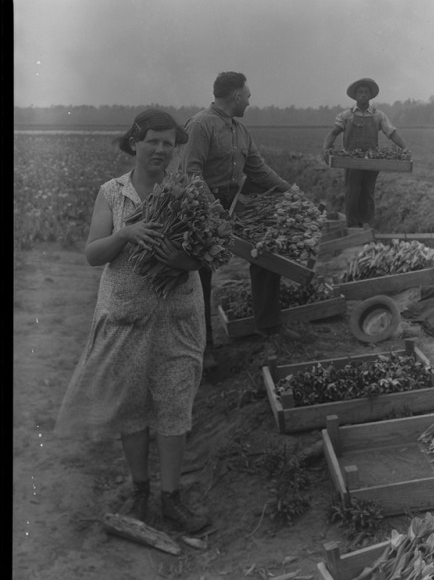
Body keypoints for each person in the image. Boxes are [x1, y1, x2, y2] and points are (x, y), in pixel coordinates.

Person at [55, 109, 209, 534]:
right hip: (125, 317)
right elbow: (92, 254)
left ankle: (171, 498)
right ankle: (140, 490)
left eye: (168, 143)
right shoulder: (112, 193)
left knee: (175, 406)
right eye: (153, 141)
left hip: (177, 317)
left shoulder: (187, 192)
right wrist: (125, 235)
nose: (161, 149)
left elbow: (204, 257)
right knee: (131, 408)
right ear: (135, 143)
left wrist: (175, 258)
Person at [180, 71, 301, 363]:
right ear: (236, 96)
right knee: (200, 277)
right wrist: (213, 210)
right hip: (201, 207)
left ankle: (269, 328)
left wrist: (292, 192)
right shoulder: (200, 125)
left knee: (266, 252)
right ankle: (203, 347)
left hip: (234, 203)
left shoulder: (241, 130)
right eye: (247, 96)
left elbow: (258, 170)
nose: (249, 101)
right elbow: (190, 174)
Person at [322, 78, 408, 227]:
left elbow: (391, 132)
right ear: (355, 96)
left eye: (366, 93)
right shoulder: (346, 115)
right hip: (351, 160)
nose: (363, 95)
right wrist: (325, 149)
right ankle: (353, 226)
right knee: (353, 192)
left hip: (372, 160)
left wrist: (404, 147)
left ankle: (367, 225)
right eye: (360, 92)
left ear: (370, 96)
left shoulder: (378, 115)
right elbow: (333, 133)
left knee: (367, 193)